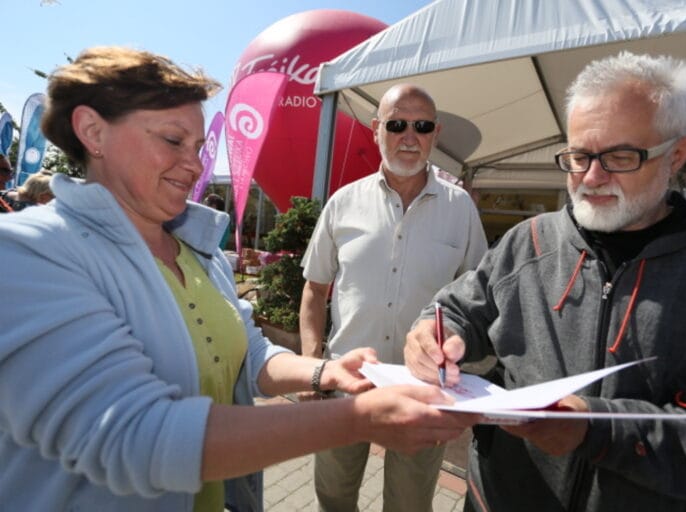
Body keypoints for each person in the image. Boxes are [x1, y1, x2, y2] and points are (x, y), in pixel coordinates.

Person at [0, 46, 479, 512]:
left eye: (199, 146)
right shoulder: (27, 252)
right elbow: (134, 436)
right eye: (172, 141)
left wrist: (323, 371)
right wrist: (354, 418)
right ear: (91, 131)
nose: (193, 165)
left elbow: (247, 353)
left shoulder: (199, 253)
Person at [405, 51, 686, 511]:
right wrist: (434, 333)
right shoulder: (529, 240)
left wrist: (601, 430)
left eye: (620, 156)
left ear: (679, 152)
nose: (591, 178)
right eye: (578, 156)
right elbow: (458, 309)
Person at [300, 84, 488, 512]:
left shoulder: (460, 209)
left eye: (421, 126)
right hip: (344, 384)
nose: (409, 136)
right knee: (333, 496)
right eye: (397, 124)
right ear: (375, 129)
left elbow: (479, 300)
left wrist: (465, 378)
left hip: (422, 392)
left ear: (435, 134)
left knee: (410, 504)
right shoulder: (342, 203)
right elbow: (314, 288)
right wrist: (313, 363)